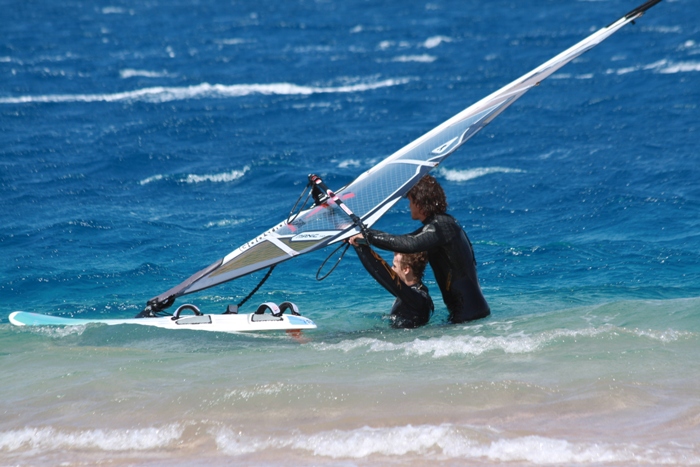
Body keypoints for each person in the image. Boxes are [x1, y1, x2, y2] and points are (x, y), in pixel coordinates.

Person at [349, 174, 490, 323]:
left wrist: (367, 235)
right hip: (468, 312)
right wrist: (364, 237)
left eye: (410, 201)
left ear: (419, 202)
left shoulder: (442, 227)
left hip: (469, 314)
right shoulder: (443, 225)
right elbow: (407, 239)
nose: (409, 206)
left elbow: (409, 244)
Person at [351, 241, 433, 328]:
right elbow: (384, 279)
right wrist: (358, 246)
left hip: (406, 340)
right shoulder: (415, 293)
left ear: (406, 269)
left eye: (394, 266)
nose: (391, 269)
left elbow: (387, 277)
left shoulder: (418, 299)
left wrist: (360, 246)